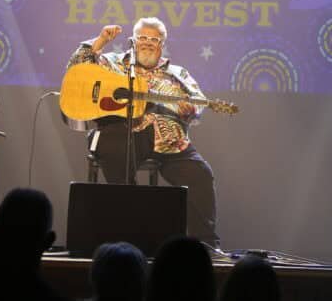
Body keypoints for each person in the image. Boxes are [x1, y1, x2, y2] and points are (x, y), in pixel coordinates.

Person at [67, 17, 220, 247]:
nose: (148, 43)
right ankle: (131, 234)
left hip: (170, 142)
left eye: (155, 40)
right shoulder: (113, 64)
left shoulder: (178, 74)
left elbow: (199, 105)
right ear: (133, 41)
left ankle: (207, 245)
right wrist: (100, 41)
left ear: (162, 45)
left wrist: (191, 110)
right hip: (124, 133)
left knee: (201, 174)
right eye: (143, 38)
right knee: (115, 150)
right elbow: (76, 69)